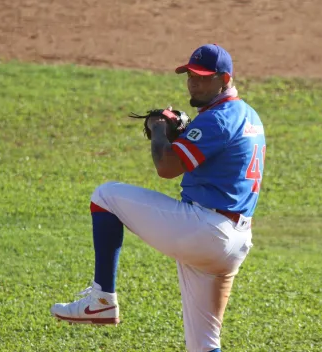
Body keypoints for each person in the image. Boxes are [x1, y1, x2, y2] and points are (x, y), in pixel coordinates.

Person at [50, 43, 266, 352]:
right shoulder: (249, 116)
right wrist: (184, 132)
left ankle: (102, 299)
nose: (194, 82)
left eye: (203, 77)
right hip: (234, 241)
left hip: (207, 230)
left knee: (105, 196)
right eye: (190, 75)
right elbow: (214, 154)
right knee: (204, 345)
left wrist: (160, 129)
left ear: (225, 78)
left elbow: (166, 167)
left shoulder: (218, 118)